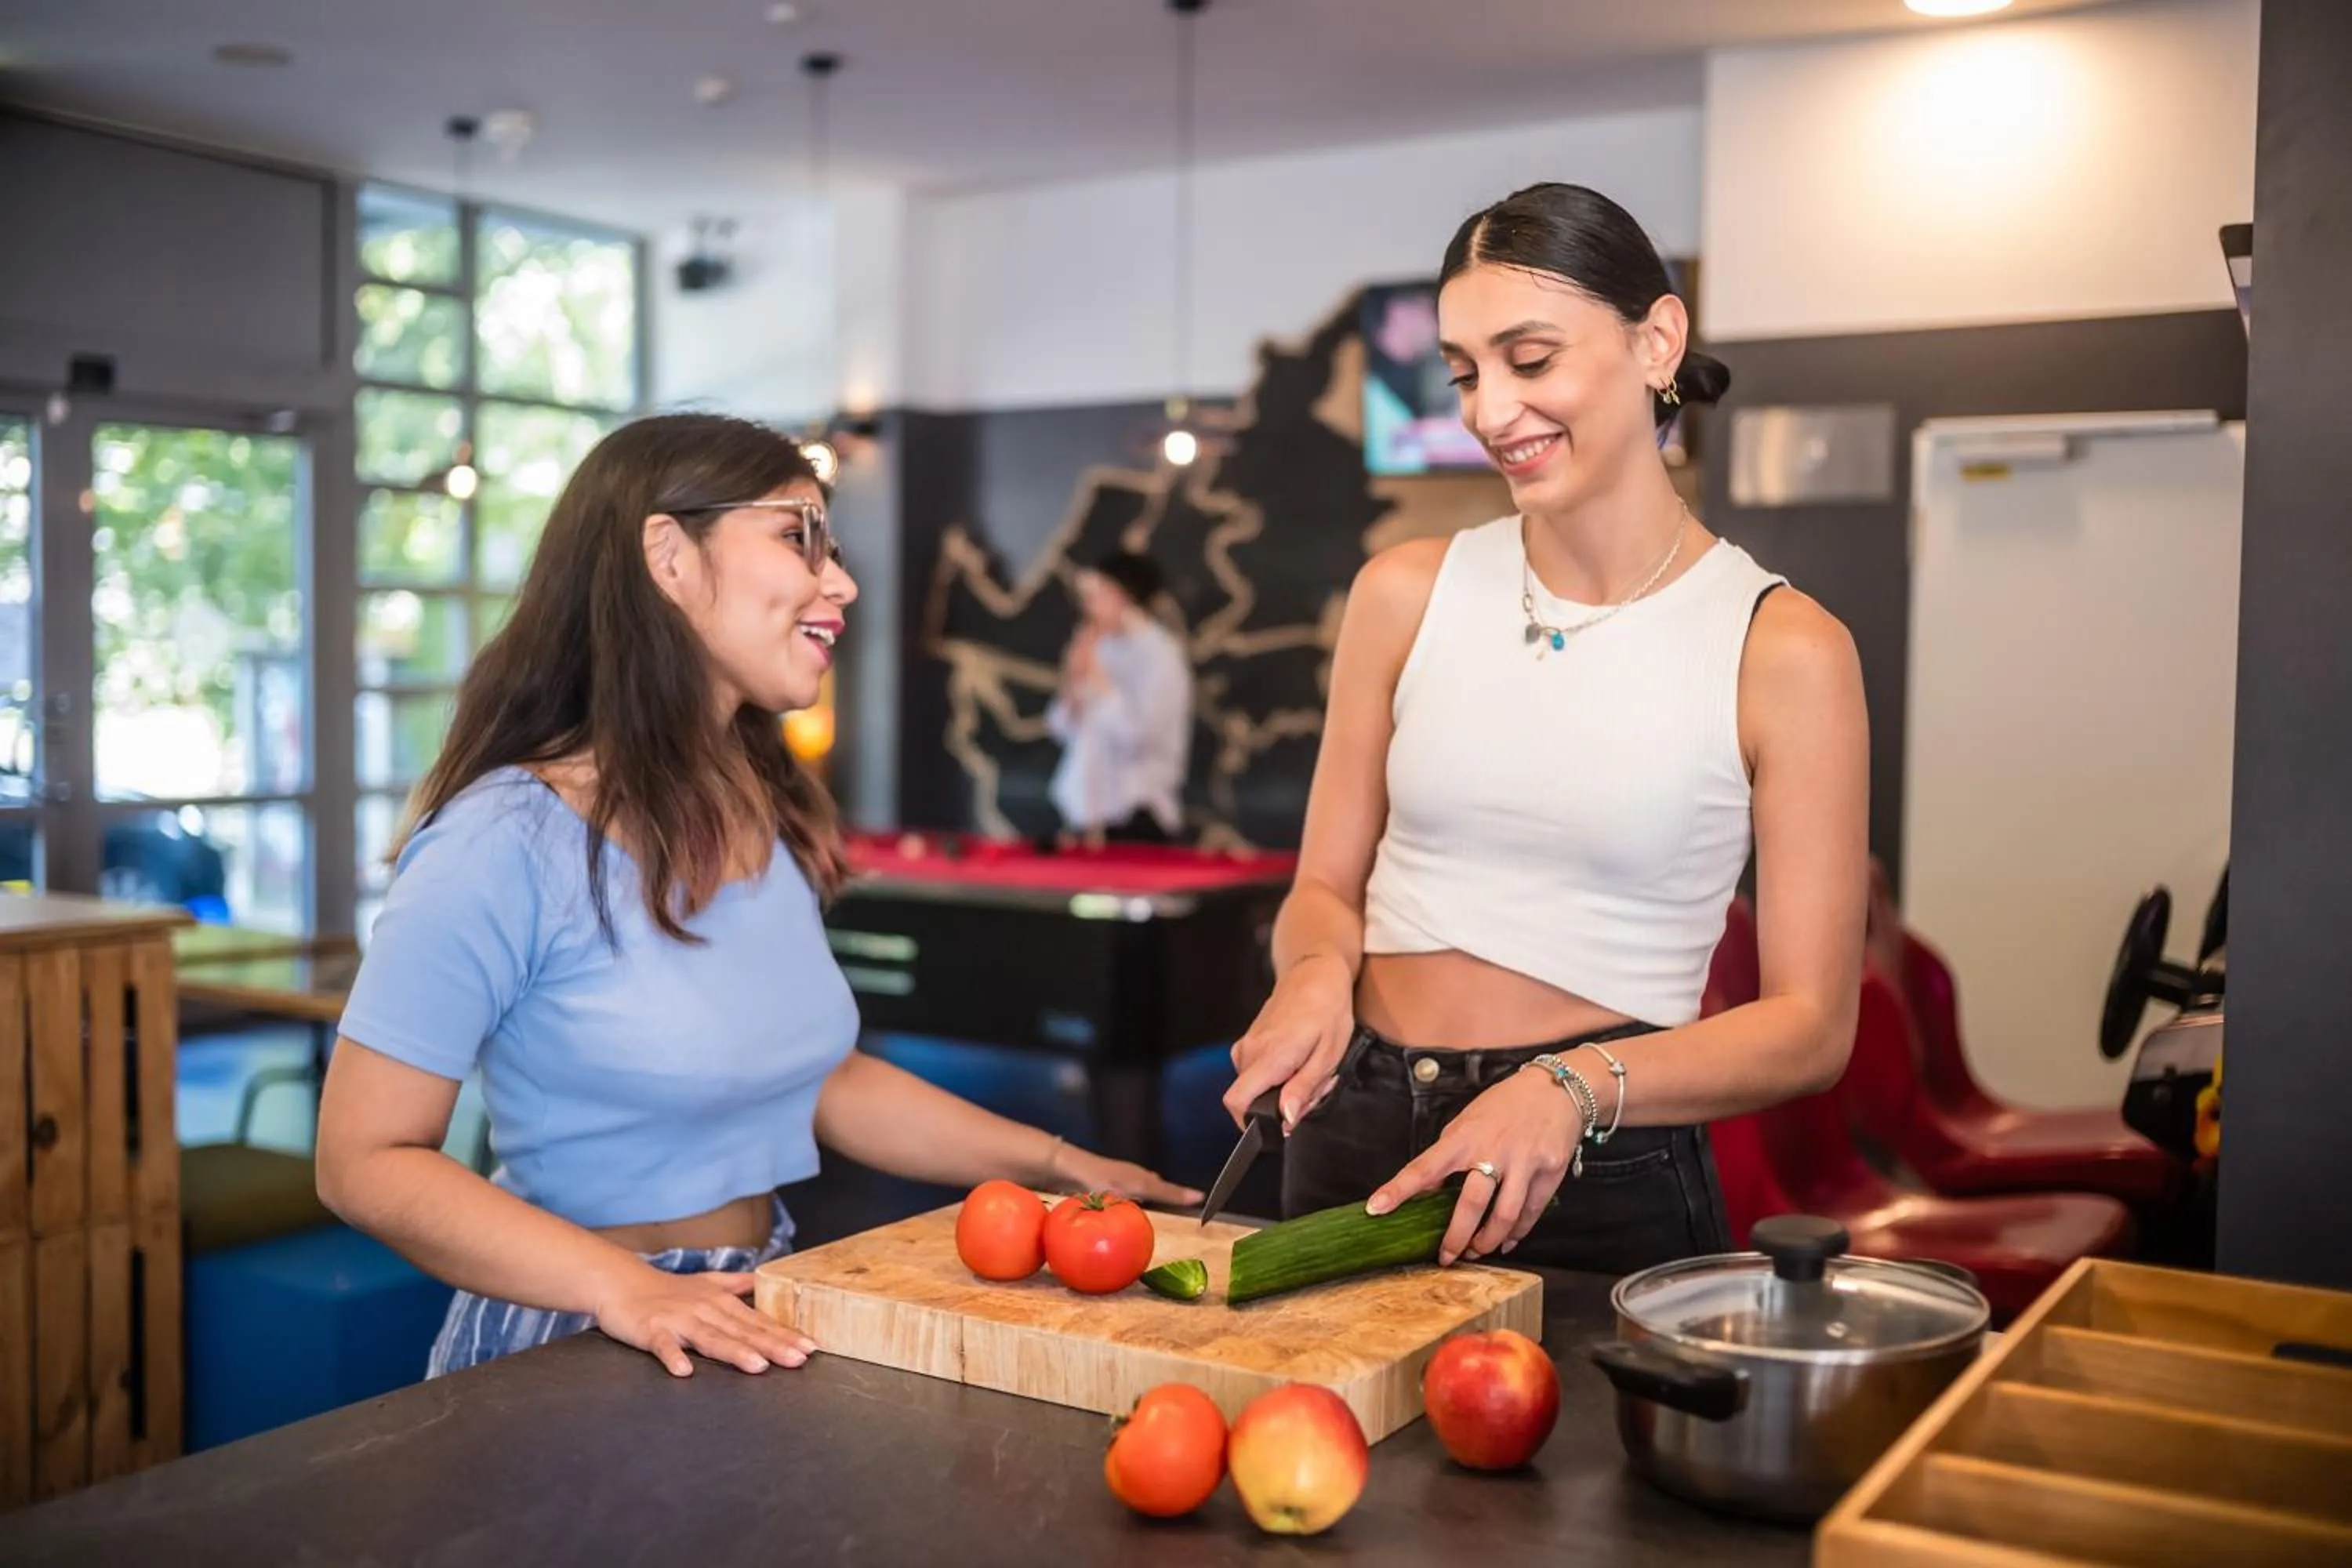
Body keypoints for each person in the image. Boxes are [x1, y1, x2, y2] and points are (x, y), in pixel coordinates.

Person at [316, 413, 1197, 1380]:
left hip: (750, 1305)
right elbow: (364, 1157)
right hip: (577, 1332)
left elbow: (824, 1077)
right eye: (797, 536)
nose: (844, 582)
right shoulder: (501, 836)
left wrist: (1061, 1165)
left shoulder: (757, 804)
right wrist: (623, 1285)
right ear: (670, 556)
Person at [1223, 183, 1869, 1277]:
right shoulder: (1404, 591)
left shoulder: (1785, 648)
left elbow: (1811, 1025)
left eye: (1530, 360)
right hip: (1353, 1125)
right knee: (1310, 1449)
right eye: (1466, 373)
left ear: (1657, 339)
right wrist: (1314, 975)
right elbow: (1324, 891)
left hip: (1594, 1161)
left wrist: (1570, 1086)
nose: (1487, 412)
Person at [1046, 550, 1193, 846]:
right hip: (1085, 815)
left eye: (1098, 595)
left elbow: (1139, 738)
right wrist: (1074, 680)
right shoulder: (1099, 647)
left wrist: (1101, 681)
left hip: (1137, 817)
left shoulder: (1162, 656)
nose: (1088, 606)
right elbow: (1060, 728)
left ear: (1123, 597)